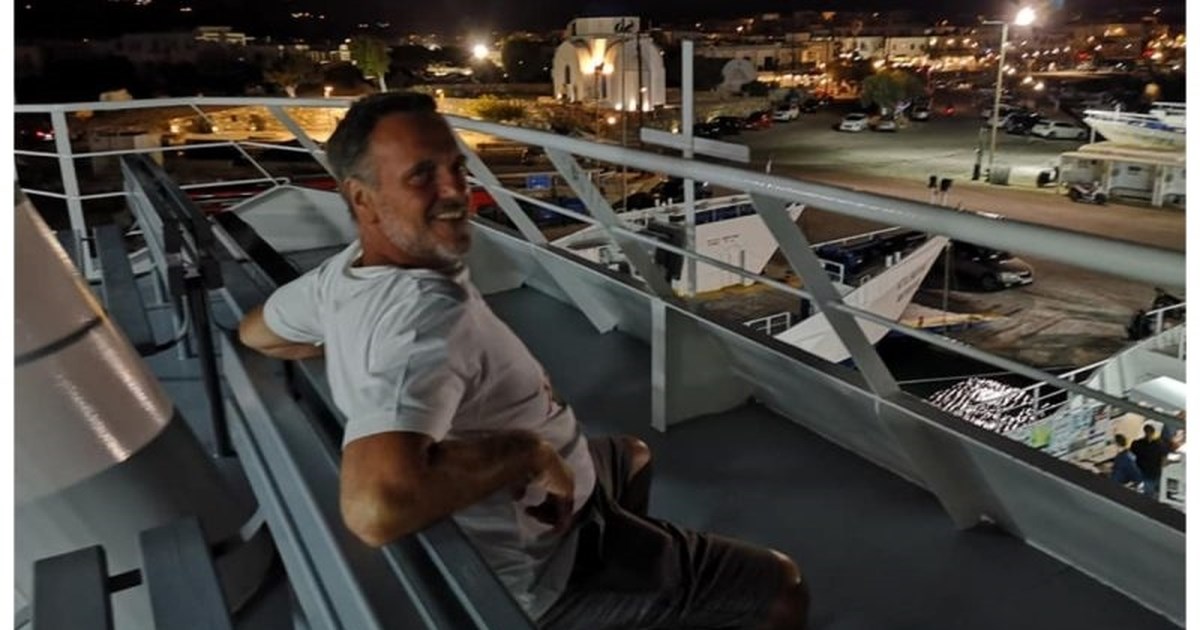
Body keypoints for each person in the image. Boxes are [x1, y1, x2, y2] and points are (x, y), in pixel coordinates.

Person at [238, 92, 810, 629]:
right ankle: (617, 581)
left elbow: (257, 333)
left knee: (632, 455)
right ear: (360, 197)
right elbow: (374, 508)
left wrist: (351, 342)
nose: (455, 191)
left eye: (456, 167)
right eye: (421, 176)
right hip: (546, 560)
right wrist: (527, 453)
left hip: (556, 500)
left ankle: (639, 581)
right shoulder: (419, 319)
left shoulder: (341, 277)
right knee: (783, 588)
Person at [1129, 423, 1168, 498]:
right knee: (1150, 493)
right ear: (1154, 432)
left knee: (1146, 493)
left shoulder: (1137, 444)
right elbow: (1164, 460)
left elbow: (1131, 457)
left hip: (1143, 472)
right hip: (1153, 473)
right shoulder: (1160, 445)